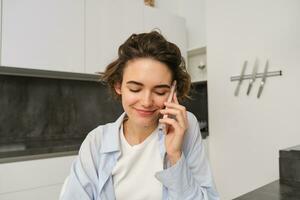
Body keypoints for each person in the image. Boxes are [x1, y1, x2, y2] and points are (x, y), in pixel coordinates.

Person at [60, 31, 219, 200]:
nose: (146, 101)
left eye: (160, 91)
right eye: (135, 89)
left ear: (173, 91)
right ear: (118, 85)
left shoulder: (185, 126)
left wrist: (175, 155)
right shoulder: (96, 141)